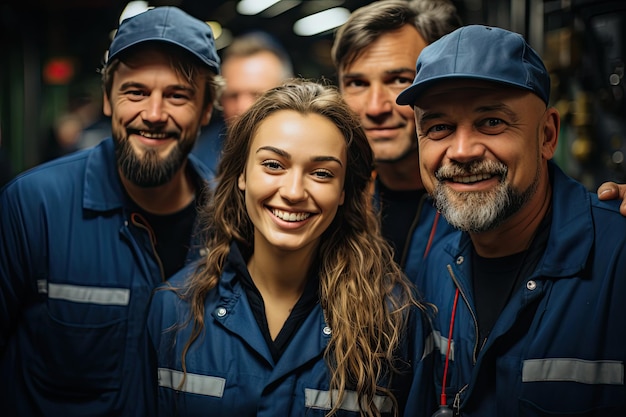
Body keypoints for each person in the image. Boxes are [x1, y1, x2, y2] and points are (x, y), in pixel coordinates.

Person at [147, 79, 435, 416]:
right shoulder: (174, 309)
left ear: (344, 191)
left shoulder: (394, 322)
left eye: (322, 173)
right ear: (242, 174)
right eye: (273, 165)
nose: (294, 191)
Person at [0, 7, 223, 416]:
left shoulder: (231, 225)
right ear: (107, 98)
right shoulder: (34, 206)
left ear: (207, 110)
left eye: (178, 95)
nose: (154, 115)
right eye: (135, 92)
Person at [396, 25, 626, 416]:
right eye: (438, 128)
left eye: (491, 122)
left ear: (547, 135)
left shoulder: (618, 258)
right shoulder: (436, 266)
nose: (463, 151)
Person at [331, 0, 462, 277]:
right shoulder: (334, 205)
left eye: (400, 80)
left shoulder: (483, 204)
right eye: (357, 83)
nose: (376, 107)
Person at [193, 31, 293, 172]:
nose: (243, 107)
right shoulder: (198, 161)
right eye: (232, 96)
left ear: (287, 94)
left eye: (257, 95)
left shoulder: (315, 151)